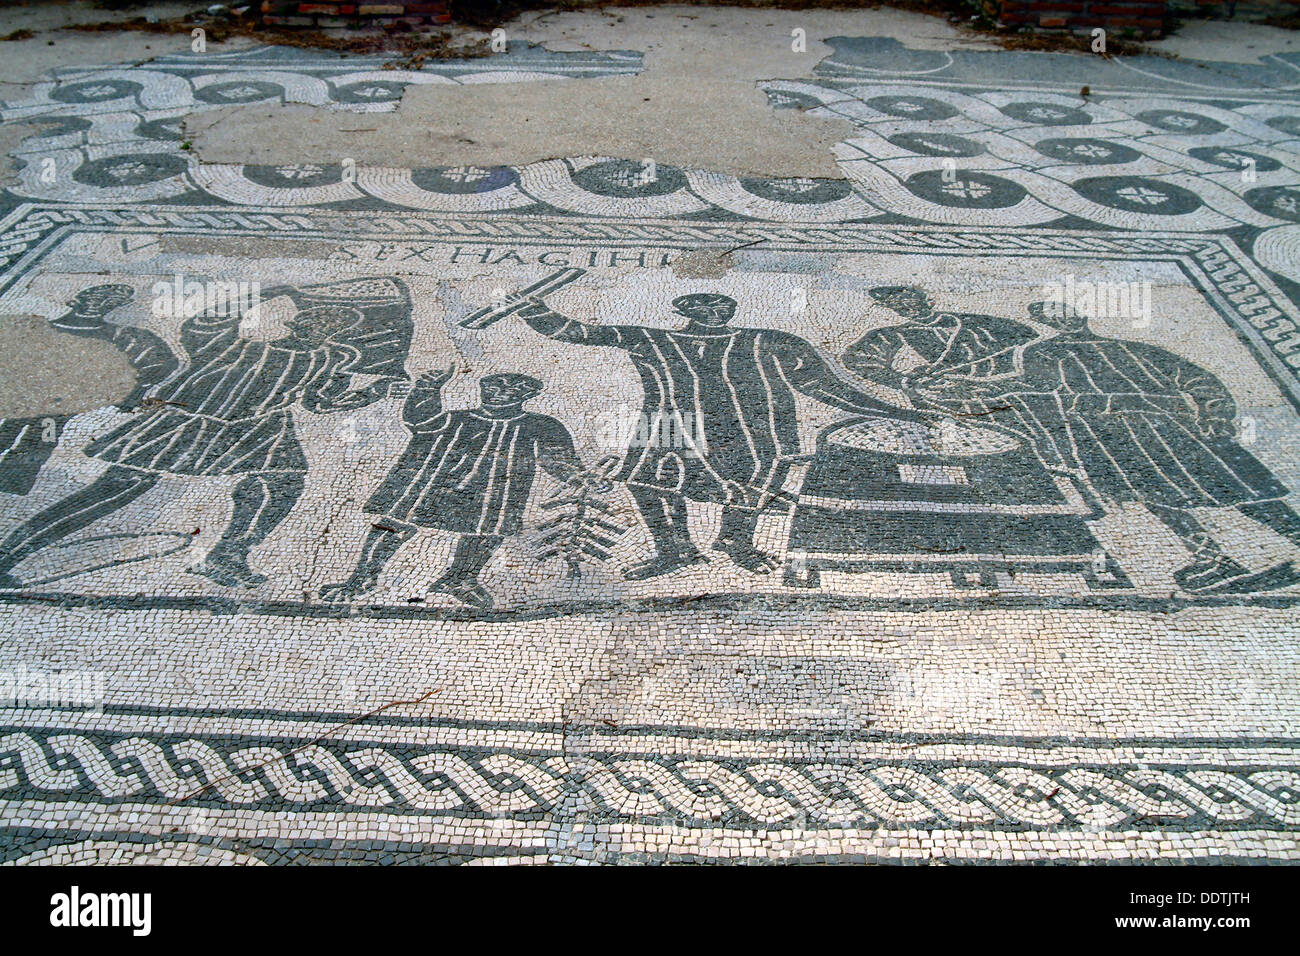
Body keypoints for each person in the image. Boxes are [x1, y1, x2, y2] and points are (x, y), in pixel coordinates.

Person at [0, 277, 413, 590]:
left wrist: (375, 391)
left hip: (261, 428)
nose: (323, 325)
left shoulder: (331, 357)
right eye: (318, 317)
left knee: (281, 484)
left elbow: (320, 403)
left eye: (333, 324)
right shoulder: (227, 342)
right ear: (298, 318)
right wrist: (264, 293)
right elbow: (206, 320)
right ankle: (11, 553)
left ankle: (228, 556)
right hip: (189, 421)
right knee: (118, 488)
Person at [517, 291, 924, 579]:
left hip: (752, 423)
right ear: (686, 311)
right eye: (702, 306)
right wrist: (532, 310)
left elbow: (822, 384)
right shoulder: (654, 339)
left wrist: (891, 410)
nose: (714, 311)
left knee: (754, 481)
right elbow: (579, 333)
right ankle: (672, 550)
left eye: (721, 305)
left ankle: (736, 541)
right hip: (669, 421)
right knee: (650, 482)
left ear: (730, 310)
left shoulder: (771, 342)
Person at [942, 302, 1300, 593]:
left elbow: (1196, 378)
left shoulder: (1131, 348)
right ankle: (1212, 558)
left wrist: (1215, 415)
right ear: (1043, 322)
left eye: (1062, 312)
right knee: (1152, 493)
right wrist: (964, 386)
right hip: (1103, 432)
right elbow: (1029, 385)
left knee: (1236, 484)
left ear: (1080, 315)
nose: (1058, 319)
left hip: (1168, 425)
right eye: (1048, 316)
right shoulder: (1044, 352)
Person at [321, 370, 601, 609]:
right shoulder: (455, 418)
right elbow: (419, 422)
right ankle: (361, 579)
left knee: (488, 531)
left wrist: (581, 479)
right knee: (394, 523)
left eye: (509, 388)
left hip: (497, 488)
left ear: (525, 395)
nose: (497, 392)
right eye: (492, 386)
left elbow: (559, 459)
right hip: (434, 482)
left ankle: (459, 579)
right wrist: (428, 387)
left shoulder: (541, 425)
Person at [0, 284, 177, 496]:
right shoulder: (38, 328)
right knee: (16, 428)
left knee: (41, 434)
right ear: (79, 299)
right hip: (28, 395)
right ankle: (15, 479)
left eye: (109, 301)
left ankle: (15, 478)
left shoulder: (121, 335)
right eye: (96, 298)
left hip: (61, 403)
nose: (99, 304)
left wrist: (132, 393)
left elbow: (161, 362)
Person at [843, 285, 1037, 398]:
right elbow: (856, 359)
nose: (907, 308)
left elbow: (1026, 338)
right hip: (938, 396)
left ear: (927, 300)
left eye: (910, 301)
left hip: (996, 388)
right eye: (898, 306)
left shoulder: (977, 324)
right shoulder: (889, 335)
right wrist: (903, 381)